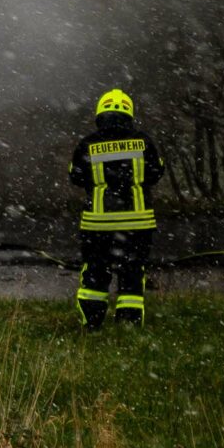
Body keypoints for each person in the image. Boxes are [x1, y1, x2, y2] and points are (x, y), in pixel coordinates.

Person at [71, 88, 167, 329]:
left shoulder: (88, 144)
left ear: (100, 114)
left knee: (95, 272)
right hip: (138, 224)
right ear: (129, 114)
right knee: (132, 273)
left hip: (97, 225)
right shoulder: (143, 142)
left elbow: (76, 176)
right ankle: (129, 325)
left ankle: (91, 323)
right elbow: (156, 172)